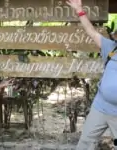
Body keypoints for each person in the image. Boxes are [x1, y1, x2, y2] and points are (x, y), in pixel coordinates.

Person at [67, 0, 117, 149]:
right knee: (85, 144)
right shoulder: (111, 48)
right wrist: (79, 10)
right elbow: (91, 31)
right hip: (100, 106)